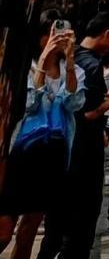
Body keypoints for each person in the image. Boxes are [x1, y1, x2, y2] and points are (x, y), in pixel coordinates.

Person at [37, 12, 109, 259]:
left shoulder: (71, 57)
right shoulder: (90, 65)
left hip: (60, 151)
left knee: (55, 227)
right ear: (107, 34)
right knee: (80, 228)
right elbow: (85, 113)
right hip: (83, 154)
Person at [0, 13, 84, 259]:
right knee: (3, 231)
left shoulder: (75, 70)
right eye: (51, 33)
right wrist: (45, 60)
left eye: (63, 33)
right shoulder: (23, 67)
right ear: (39, 37)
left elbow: (75, 103)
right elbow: (26, 105)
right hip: (17, 154)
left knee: (29, 230)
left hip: (52, 156)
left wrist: (68, 62)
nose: (56, 38)